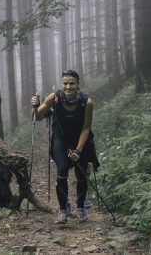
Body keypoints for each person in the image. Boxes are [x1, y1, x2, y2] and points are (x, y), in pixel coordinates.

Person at [31, 70, 99, 224]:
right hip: (60, 139)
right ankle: (63, 210)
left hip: (81, 140)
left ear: (78, 84)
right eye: (65, 84)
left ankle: (80, 207)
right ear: (62, 84)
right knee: (62, 169)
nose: (68, 87)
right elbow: (38, 117)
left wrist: (78, 150)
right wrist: (35, 106)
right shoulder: (54, 98)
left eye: (72, 83)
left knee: (81, 173)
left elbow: (86, 128)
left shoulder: (86, 102)